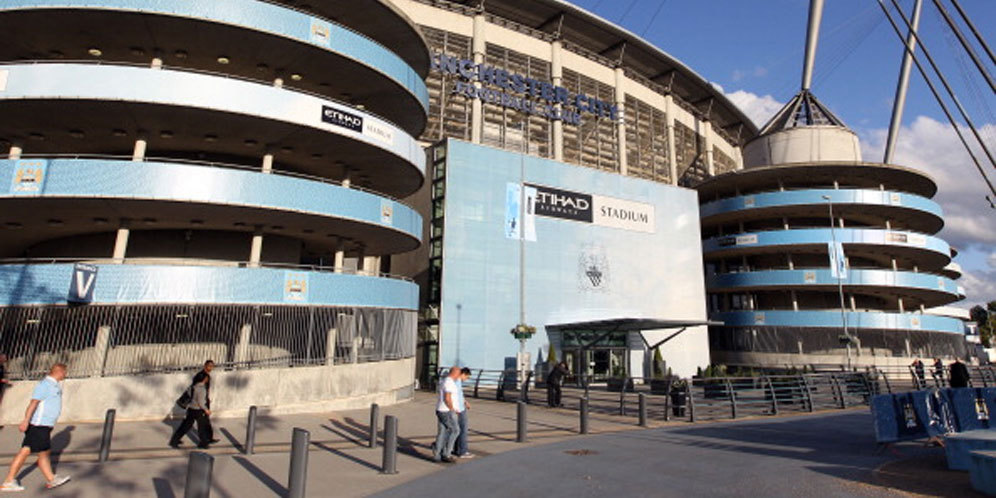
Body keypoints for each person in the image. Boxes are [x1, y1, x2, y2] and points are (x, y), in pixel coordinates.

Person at [0, 363, 71, 492]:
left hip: (45, 425)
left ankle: (51, 479)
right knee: (26, 451)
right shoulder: (45, 385)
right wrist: (26, 421)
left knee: (43, 452)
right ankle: (9, 481)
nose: (65, 375)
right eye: (65, 372)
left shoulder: (54, 385)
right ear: (59, 371)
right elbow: (33, 403)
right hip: (39, 425)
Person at [169, 372, 213, 449]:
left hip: (191, 409)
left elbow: (189, 396)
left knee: (185, 426)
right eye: (207, 378)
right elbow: (201, 402)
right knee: (202, 427)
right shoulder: (202, 389)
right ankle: (203, 443)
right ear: (204, 379)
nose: (207, 379)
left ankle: (174, 440)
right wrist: (206, 410)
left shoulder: (193, 386)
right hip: (199, 410)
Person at [432, 366, 462, 463]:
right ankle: (446, 453)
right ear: (455, 373)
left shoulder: (445, 381)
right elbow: (447, 398)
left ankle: (437, 453)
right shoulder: (449, 383)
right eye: (459, 374)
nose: (459, 376)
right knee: (455, 430)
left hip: (440, 409)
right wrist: (452, 409)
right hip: (446, 410)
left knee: (442, 432)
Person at [453, 367, 474, 459]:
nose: (466, 379)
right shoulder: (456, 382)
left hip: (461, 407)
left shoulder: (456, 381)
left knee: (456, 430)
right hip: (459, 409)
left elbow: (460, 394)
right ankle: (462, 450)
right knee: (463, 429)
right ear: (463, 374)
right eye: (467, 377)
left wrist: (465, 402)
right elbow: (456, 396)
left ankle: (456, 448)